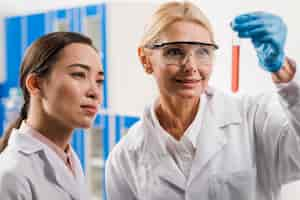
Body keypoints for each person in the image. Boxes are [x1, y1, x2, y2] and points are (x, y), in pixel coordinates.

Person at [105, 1, 300, 200]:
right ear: (146, 60)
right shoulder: (124, 158)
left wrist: (283, 72)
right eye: (174, 51)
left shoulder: (253, 117)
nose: (191, 66)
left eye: (203, 51)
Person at [0, 32, 104, 199]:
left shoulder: (70, 160)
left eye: (99, 81)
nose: (95, 93)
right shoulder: (11, 175)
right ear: (35, 84)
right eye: (78, 74)